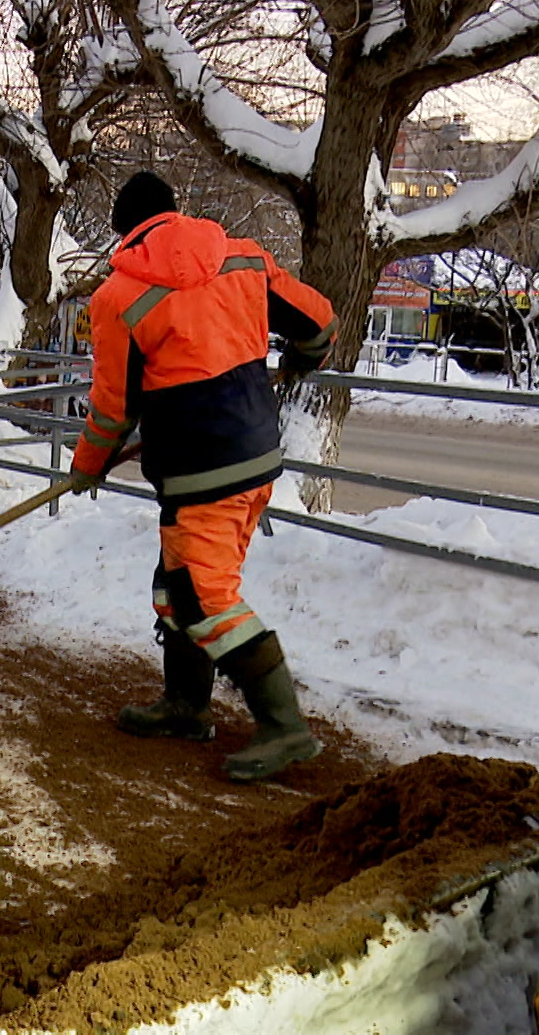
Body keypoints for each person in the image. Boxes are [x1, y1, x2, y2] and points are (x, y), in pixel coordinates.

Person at [68, 171, 337, 782]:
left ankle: (284, 726)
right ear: (173, 211)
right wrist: (298, 363)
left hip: (199, 471)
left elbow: (113, 408)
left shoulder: (118, 298)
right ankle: (186, 704)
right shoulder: (243, 258)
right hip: (256, 459)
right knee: (178, 584)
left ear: (124, 233)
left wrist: (87, 465)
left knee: (202, 595)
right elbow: (320, 324)